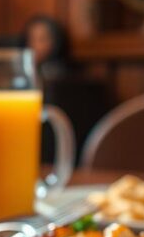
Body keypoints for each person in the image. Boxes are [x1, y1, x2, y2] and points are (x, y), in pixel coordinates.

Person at [19, 15, 114, 163]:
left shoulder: (69, 81)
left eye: (42, 39)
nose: (34, 45)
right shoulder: (21, 80)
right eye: (31, 39)